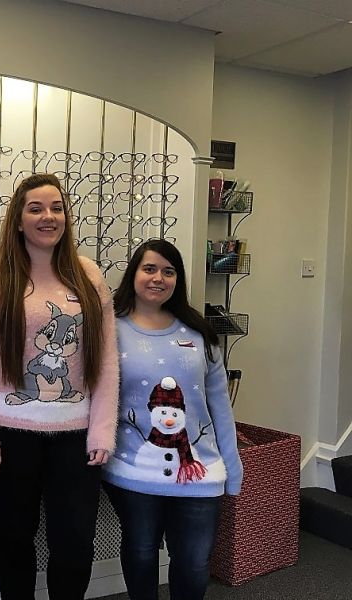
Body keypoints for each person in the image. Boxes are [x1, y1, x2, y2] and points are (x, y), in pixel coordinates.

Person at [0, 173, 119, 599]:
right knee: (15, 539)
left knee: (74, 544)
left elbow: (105, 360)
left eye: (56, 208)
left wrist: (102, 430)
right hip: (13, 435)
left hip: (76, 437)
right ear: (18, 219)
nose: (47, 216)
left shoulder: (87, 275)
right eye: (35, 208)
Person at [102, 239, 243, 600]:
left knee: (195, 563)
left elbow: (219, 406)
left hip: (199, 471)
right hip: (134, 472)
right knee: (141, 554)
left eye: (168, 271)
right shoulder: (109, 331)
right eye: (149, 268)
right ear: (133, 273)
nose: (158, 278)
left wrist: (233, 463)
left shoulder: (200, 333)